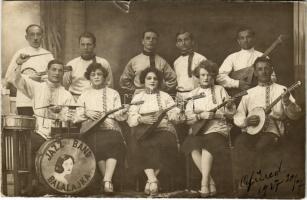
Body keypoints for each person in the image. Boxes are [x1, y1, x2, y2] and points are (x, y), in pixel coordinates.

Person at [233, 57, 302, 197]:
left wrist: (287, 101)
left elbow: (295, 114)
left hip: (273, 130)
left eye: (266, 68)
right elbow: (238, 115)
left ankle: (257, 186)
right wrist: (246, 121)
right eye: (259, 69)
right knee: (240, 142)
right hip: (252, 131)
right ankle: (243, 183)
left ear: (271, 70)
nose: (263, 71)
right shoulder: (249, 93)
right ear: (255, 72)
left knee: (261, 145)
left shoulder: (282, 89)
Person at [8, 58, 75, 192]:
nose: (57, 73)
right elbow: (16, 80)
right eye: (54, 69)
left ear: (63, 74)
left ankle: (50, 186)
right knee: (29, 144)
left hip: (59, 134)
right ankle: (28, 184)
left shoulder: (67, 95)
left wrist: (60, 114)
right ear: (47, 71)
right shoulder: (37, 87)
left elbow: (72, 118)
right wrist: (19, 63)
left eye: (60, 70)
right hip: (40, 131)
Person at [181, 60, 236, 197]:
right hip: (199, 129)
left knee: (208, 142)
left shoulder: (220, 90)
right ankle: (211, 182)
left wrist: (228, 107)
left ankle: (204, 183)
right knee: (191, 144)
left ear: (213, 76)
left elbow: (230, 114)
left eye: (209, 75)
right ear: (198, 77)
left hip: (217, 129)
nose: (206, 78)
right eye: (203, 75)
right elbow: (188, 117)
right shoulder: (193, 94)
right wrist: (200, 116)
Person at [127, 67, 184, 195]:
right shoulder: (138, 97)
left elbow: (173, 115)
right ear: (144, 81)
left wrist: (177, 114)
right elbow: (131, 118)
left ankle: (150, 181)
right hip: (143, 131)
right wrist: (142, 118)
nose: (152, 81)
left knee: (165, 142)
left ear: (159, 81)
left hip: (163, 129)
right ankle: (153, 179)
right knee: (138, 143)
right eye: (149, 78)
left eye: (155, 78)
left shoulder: (165, 96)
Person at [74, 63, 127, 194]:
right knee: (93, 142)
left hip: (110, 127)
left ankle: (106, 180)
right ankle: (107, 180)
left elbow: (118, 115)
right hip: (91, 129)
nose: (96, 77)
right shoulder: (84, 94)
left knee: (114, 140)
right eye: (93, 75)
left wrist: (122, 112)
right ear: (89, 78)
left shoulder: (113, 93)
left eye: (99, 74)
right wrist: (87, 113)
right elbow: (76, 116)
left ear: (104, 77)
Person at [4, 24, 54, 116]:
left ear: (42, 36)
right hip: (24, 101)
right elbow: (9, 77)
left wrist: (41, 78)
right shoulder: (20, 54)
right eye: (32, 34)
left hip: (42, 100)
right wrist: (27, 78)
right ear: (26, 37)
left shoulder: (48, 55)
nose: (35, 38)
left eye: (38, 34)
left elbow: (53, 78)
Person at [216, 26, 276, 92]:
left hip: (260, 92)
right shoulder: (232, 57)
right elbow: (220, 77)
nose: (245, 40)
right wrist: (237, 83)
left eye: (248, 37)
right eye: (242, 38)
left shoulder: (263, 56)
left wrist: (259, 83)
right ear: (238, 41)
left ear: (253, 38)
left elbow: (273, 78)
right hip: (239, 94)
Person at [119, 29, 177, 96]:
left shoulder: (162, 61)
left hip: (158, 96)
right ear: (143, 41)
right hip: (140, 97)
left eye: (154, 39)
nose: (151, 41)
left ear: (157, 42)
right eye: (148, 38)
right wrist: (135, 90)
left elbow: (173, 79)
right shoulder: (134, 61)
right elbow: (124, 81)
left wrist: (161, 89)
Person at [63, 32, 113, 101]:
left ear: (94, 45)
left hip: (97, 99)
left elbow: (109, 85)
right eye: (82, 44)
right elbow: (65, 85)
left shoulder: (103, 63)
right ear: (79, 46)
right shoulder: (71, 64)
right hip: (76, 100)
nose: (85, 47)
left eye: (89, 44)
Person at [174, 30, 207, 99]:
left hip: (197, 95)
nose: (183, 43)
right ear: (176, 44)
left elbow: (208, 80)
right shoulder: (176, 62)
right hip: (180, 96)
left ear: (192, 42)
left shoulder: (201, 59)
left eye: (186, 40)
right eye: (180, 40)